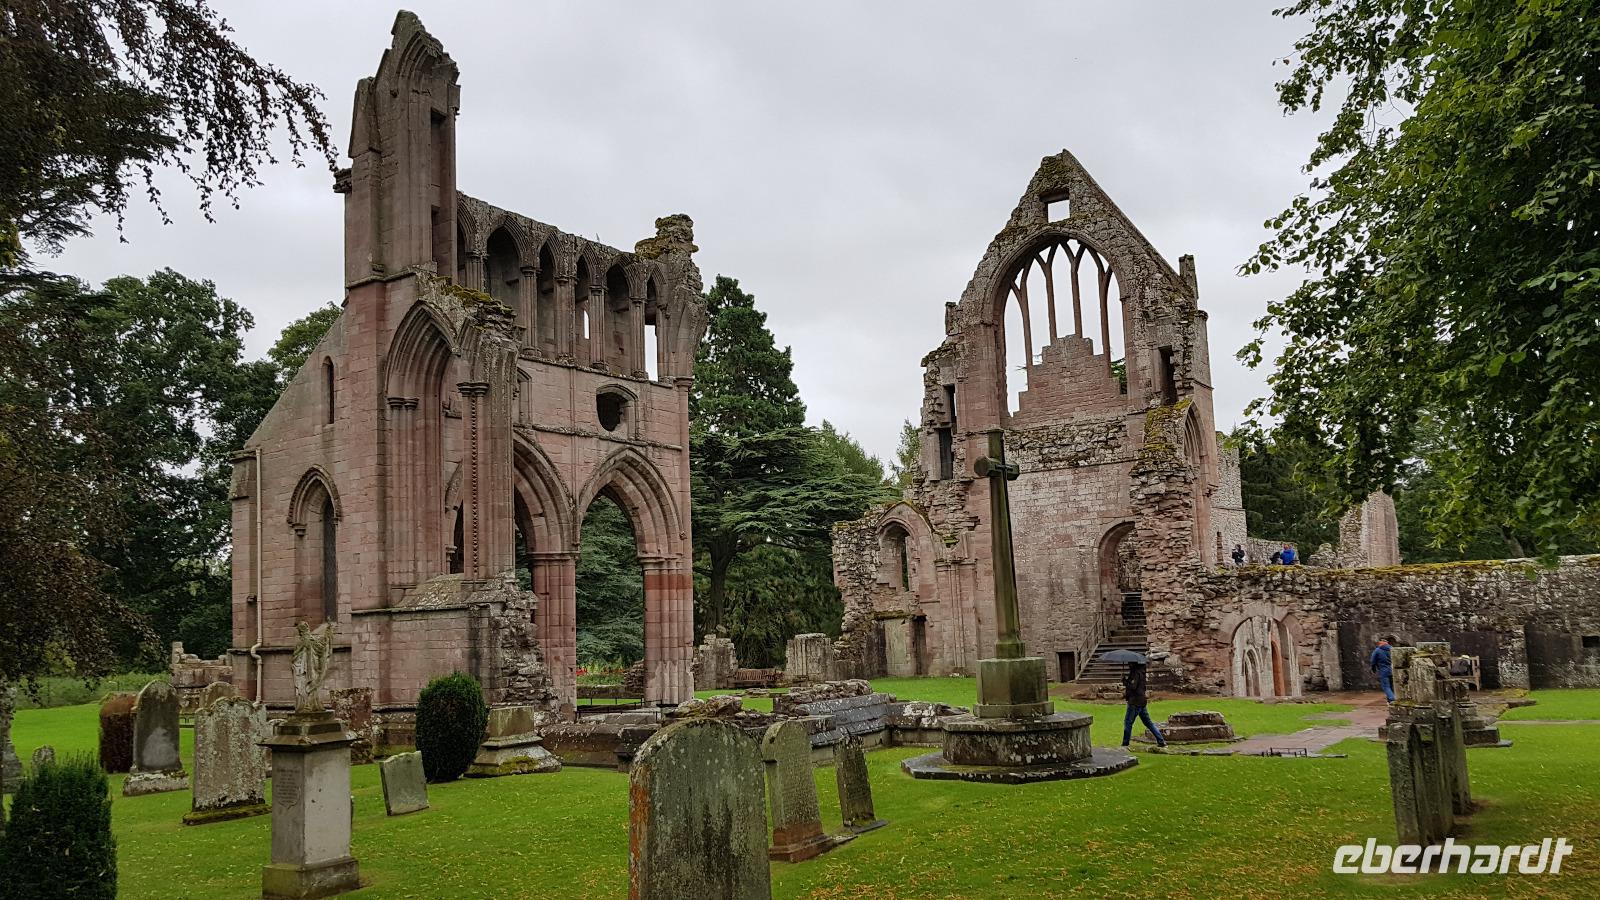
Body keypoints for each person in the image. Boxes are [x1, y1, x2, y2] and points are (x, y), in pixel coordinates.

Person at [1121, 662, 1166, 748]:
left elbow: (1133, 686)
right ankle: (1160, 740)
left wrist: (1125, 682)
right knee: (1148, 723)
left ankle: (1125, 743)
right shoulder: (1142, 672)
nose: (1128, 664)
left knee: (1128, 723)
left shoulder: (1135, 673)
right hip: (1142, 701)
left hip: (1134, 702)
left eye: (1129, 663)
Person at [1370, 637, 1395, 702]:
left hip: (1383, 670)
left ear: (1380, 643)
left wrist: (1373, 668)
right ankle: (1390, 700)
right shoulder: (1392, 649)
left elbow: (1373, 661)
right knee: (1392, 686)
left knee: (1386, 686)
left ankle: (1392, 699)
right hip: (1393, 670)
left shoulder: (1377, 650)